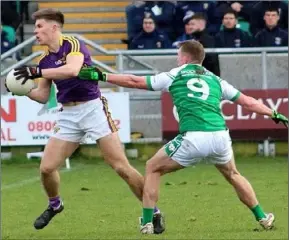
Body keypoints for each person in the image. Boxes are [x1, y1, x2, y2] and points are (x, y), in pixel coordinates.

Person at [77, 40, 288, 234]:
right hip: (220, 136)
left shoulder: (174, 75)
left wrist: (101, 75)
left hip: (194, 137)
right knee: (233, 174)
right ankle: (262, 217)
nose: (178, 59)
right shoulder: (216, 80)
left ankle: (148, 223)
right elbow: (249, 103)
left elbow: (135, 81)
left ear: (185, 58)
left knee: (152, 167)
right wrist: (273, 113)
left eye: (179, 56)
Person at [7, 8, 165, 234]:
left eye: (40, 27)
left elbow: (72, 70)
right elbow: (43, 95)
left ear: (55, 27)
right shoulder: (44, 60)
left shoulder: (72, 44)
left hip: (93, 110)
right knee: (46, 168)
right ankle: (55, 205)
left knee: (121, 167)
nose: (37, 33)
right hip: (68, 115)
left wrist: (35, 71)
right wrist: (22, 90)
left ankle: (154, 211)